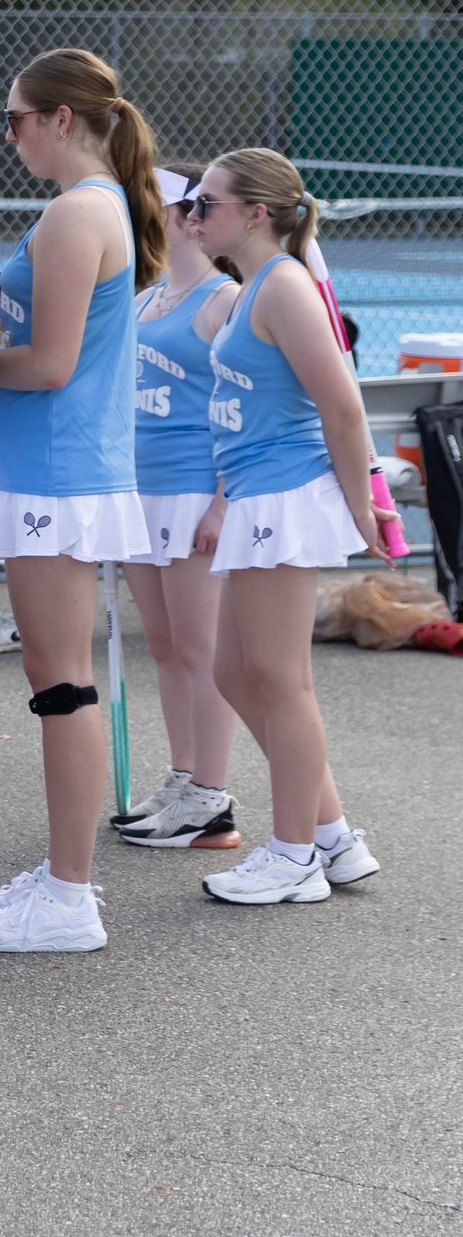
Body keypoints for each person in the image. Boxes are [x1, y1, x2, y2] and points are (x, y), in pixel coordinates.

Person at [0, 49, 161, 955]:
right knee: (58, 681)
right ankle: (58, 879)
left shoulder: (81, 212)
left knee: (62, 686)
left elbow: (49, 364)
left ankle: (71, 896)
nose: (12, 136)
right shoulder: (86, 207)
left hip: (62, 472)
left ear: (63, 120)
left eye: (17, 120)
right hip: (54, 467)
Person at [188, 149, 392, 904]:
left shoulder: (285, 286)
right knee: (233, 673)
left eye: (205, 203)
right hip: (254, 493)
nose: (192, 215)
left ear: (256, 213)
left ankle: (296, 855)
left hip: (285, 494)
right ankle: (333, 834)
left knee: (280, 679)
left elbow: (340, 405)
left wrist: (362, 501)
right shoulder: (249, 289)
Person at [112, 165, 244, 852]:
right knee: (164, 648)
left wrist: (223, 504)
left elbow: (240, 409)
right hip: (142, 492)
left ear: (184, 212)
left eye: (150, 201)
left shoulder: (224, 300)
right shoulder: (145, 300)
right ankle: (185, 777)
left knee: (203, 651)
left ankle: (211, 800)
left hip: (197, 490)